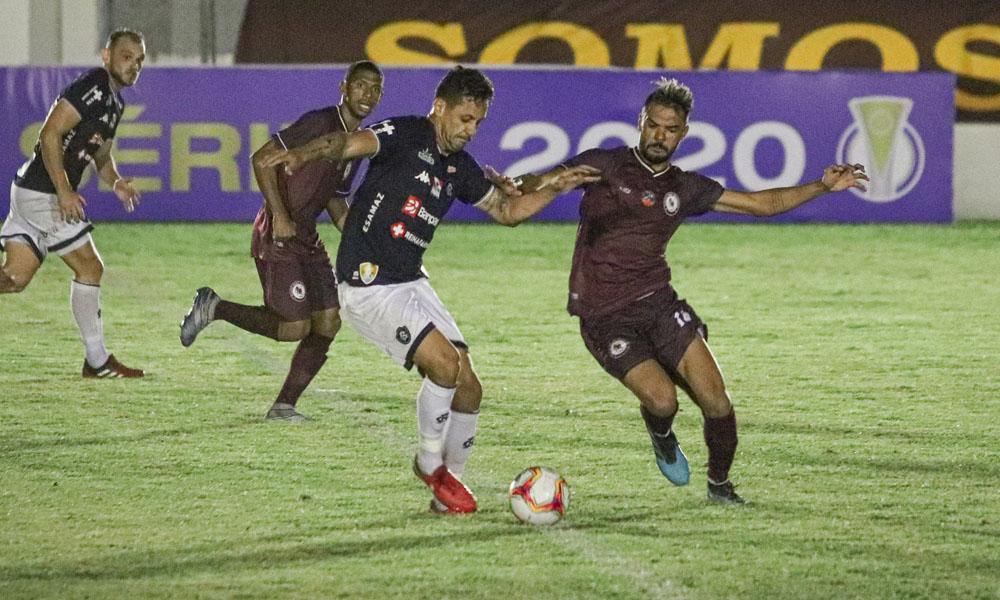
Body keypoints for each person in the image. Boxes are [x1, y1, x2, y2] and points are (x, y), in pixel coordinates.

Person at [260, 66, 600, 513]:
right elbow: (348, 143)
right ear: (439, 108)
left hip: (411, 279)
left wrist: (554, 187)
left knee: (470, 388)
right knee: (444, 365)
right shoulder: (404, 133)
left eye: (477, 122)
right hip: (369, 283)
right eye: (464, 119)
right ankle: (428, 463)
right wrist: (303, 155)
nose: (470, 130)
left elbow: (507, 210)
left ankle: (447, 489)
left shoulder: (459, 166)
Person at [562, 78, 868, 504]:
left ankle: (720, 486)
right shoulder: (606, 165)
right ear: (641, 123)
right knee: (663, 400)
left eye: (670, 129)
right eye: (653, 125)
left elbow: (762, 205)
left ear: (683, 133)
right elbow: (546, 182)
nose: (659, 135)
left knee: (716, 400)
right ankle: (662, 432)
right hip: (604, 315)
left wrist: (821, 185)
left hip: (659, 303)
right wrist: (514, 188)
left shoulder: (685, 187)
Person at [178, 61, 386, 421]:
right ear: (344, 87)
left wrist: (362, 234)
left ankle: (284, 406)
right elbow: (261, 160)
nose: (367, 94)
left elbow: (335, 200)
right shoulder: (320, 124)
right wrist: (280, 216)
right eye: (361, 85)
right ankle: (215, 307)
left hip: (306, 236)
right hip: (278, 233)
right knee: (293, 327)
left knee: (328, 322)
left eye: (375, 89)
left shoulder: (354, 146)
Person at [0, 28, 146, 378]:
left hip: (32, 191)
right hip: (43, 193)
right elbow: (49, 133)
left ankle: (96, 361)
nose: (134, 66)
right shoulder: (94, 85)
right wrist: (64, 191)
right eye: (127, 57)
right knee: (90, 267)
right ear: (106, 56)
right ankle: (96, 360)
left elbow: (102, 156)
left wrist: (116, 182)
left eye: (139, 61)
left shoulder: (115, 102)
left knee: (15, 279)